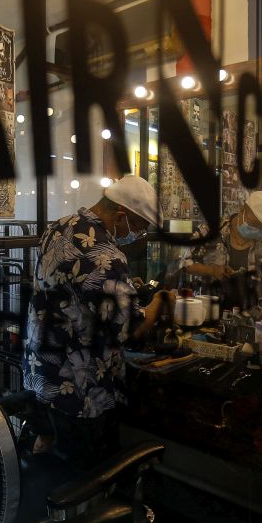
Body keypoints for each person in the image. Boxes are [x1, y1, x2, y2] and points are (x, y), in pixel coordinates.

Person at [24, 175, 174, 467]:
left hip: (39, 372)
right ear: (121, 216)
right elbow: (132, 329)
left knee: (48, 464)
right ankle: (83, 511)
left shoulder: (58, 227)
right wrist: (160, 302)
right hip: (78, 392)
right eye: (139, 228)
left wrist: (124, 285)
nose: (138, 236)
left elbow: (73, 289)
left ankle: (47, 507)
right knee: (81, 473)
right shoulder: (107, 256)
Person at [179, 190, 262, 308]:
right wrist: (212, 271)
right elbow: (183, 263)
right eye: (254, 224)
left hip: (249, 314)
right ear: (242, 210)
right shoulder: (209, 231)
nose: (257, 230)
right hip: (207, 309)